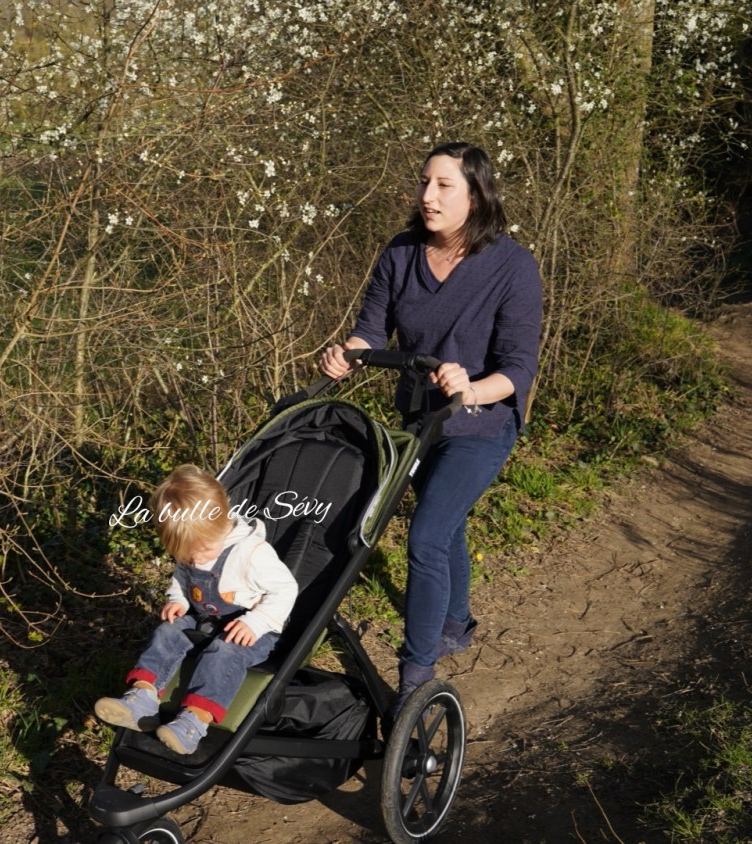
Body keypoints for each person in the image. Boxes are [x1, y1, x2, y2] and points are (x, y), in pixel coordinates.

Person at [319, 141, 542, 718]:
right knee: (446, 522)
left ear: (477, 195)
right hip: (419, 423)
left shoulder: (513, 266)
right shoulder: (401, 253)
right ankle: (456, 622)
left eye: (443, 185)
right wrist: (348, 353)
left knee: (426, 536)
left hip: (482, 424)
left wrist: (471, 388)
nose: (427, 196)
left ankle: (416, 674)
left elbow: (518, 368)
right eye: (424, 183)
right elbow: (372, 329)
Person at [95, 465, 298, 754]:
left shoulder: (251, 552)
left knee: (224, 652)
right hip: (206, 619)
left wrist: (257, 621)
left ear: (221, 524)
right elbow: (182, 577)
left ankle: (193, 722)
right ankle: (142, 698)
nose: (195, 559)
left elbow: (286, 588)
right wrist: (178, 599)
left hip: (252, 631)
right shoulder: (194, 548)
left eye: (201, 551)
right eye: (186, 554)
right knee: (168, 631)